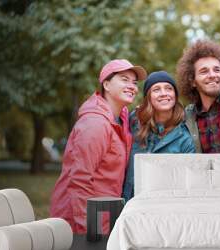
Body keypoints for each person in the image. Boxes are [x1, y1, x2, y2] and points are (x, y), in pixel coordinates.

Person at [50, 59, 147, 233]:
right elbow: (79, 181)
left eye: (134, 82)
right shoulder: (95, 124)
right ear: (107, 84)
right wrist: (90, 230)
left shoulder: (122, 120)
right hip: (81, 223)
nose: (132, 86)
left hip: (104, 216)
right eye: (124, 80)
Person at [122, 71, 195, 202]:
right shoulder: (134, 121)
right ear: (148, 97)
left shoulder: (185, 138)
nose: (164, 93)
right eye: (156, 89)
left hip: (165, 206)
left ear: (175, 95)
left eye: (169, 88)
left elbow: (188, 183)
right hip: (130, 203)